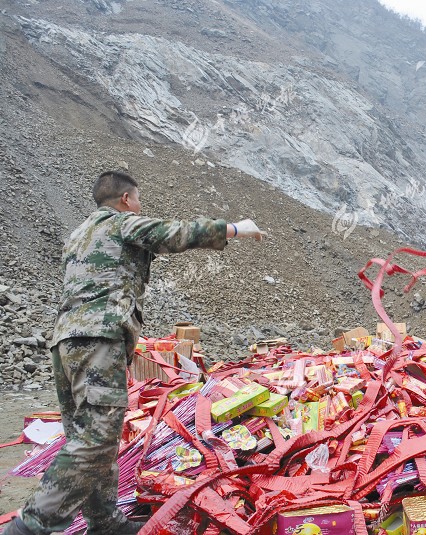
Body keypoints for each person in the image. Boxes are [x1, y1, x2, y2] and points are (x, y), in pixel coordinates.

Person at [3, 171, 263, 535]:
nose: (140, 205)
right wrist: (235, 228)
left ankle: (105, 522)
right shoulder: (122, 222)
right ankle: (27, 527)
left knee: (95, 436)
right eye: (138, 199)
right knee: (94, 441)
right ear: (126, 198)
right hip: (99, 340)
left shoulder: (78, 235)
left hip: (66, 343)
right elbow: (175, 234)